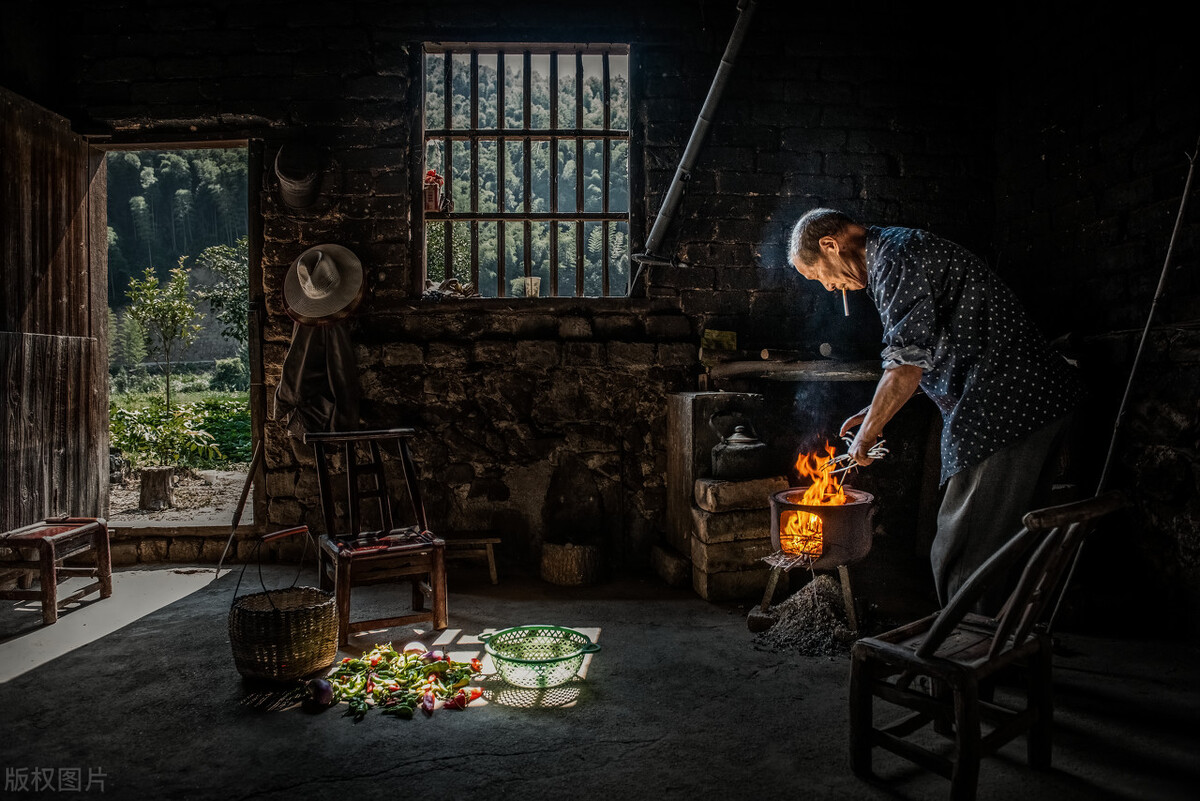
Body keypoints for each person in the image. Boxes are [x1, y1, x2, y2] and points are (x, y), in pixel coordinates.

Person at [788, 208, 1083, 613]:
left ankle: (958, 661)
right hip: (1036, 402)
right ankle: (1000, 652)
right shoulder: (896, 251)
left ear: (829, 245)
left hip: (1002, 407)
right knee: (1009, 540)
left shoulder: (894, 258)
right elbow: (920, 357)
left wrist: (866, 435)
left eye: (818, 275)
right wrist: (871, 410)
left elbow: (905, 367)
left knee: (962, 551)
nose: (828, 286)